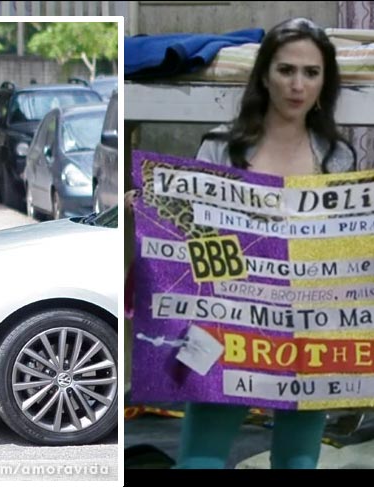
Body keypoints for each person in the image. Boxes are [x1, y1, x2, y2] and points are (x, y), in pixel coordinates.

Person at [177, 17, 357, 469]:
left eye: (311, 73)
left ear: (324, 83)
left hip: (309, 328)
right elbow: (193, 239)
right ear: (264, 75)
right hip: (223, 323)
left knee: (298, 464)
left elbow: (345, 251)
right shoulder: (219, 147)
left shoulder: (337, 157)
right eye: (286, 70)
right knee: (201, 462)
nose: (297, 84)